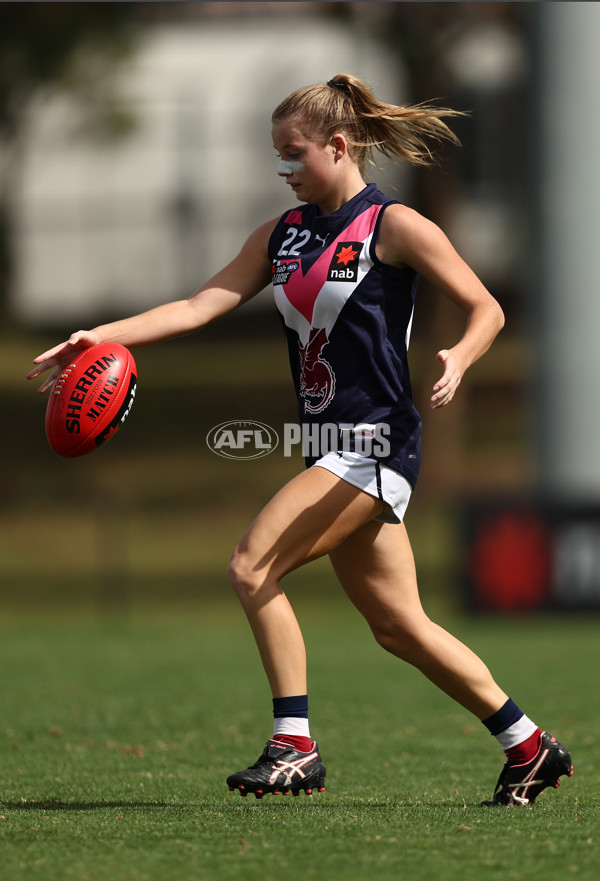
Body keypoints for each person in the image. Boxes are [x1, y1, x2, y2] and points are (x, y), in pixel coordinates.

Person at [28, 73, 573, 806]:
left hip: (375, 443)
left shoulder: (394, 226)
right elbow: (198, 306)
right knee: (399, 626)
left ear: (339, 146)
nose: (283, 169)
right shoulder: (281, 236)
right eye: (277, 156)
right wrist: (100, 336)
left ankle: (294, 746)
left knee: (252, 566)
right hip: (327, 447)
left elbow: (486, 308)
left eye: (294, 154)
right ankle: (529, 745)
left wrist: (462, 356)